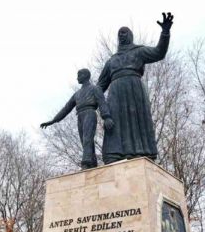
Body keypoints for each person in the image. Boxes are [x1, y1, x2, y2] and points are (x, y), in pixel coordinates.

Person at [96, 13, 174, 164]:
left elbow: (159, 52)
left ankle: (141, 152)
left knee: (138, 121)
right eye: (119, 33)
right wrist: (102, 111)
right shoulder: (112, 61)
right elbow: (99, 87)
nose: (122, 35)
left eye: (124, 32)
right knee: (116, 126)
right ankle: (115, 154)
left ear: (130, 35)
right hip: (115, 97)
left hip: (134, 92)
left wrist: (165, 33)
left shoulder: (139, 51)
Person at [41, 68, 114, 169]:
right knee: (84, 141)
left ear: (85, 76)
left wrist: (107, 117)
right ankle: (92, 163)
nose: (77, 78)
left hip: (90, 113)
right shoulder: (77, 94)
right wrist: (53, 120)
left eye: (79, 75)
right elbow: (66, 108)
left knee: (87, 138)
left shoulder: (95, 89)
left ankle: (86, 162)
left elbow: (102, 103)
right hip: (80, 116)